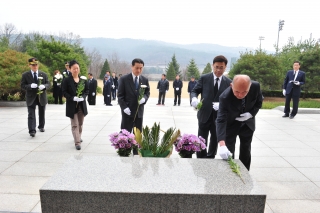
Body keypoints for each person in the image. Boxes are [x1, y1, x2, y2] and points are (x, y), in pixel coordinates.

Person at [216, 75, 263, 170]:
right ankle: (230, 173)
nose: (240, 95)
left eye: (245, 92)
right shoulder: (225, 97)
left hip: (247, 125)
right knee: (228, 151)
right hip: (231, 124)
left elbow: (259, 102)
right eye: (237, 91)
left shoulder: (256, 87)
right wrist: (222, 144)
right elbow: (221, 119)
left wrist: (250, 114)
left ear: (250, 86)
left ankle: (245, 173)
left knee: (246, 151)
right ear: (231, 85)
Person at [191, 55, 232, 158]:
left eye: (221, 67)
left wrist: (222, 105)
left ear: (225, 67)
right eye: (216, 67)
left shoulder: (228, 82)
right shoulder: (204, 78)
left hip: (218, 118)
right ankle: (200, 158)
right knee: (201, 139)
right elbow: (195, 91)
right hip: (204, 115)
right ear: (213, 65)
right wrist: (194, 98)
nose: (218, 70)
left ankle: (210, 158)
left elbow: (231, 100)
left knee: (214, 139)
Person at [118, 58, 150, 134]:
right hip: (127, 112)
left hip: (139, 113)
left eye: (141, 68)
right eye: (137, 68)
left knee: (138, 136)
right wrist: (124, 107)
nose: (138, 70)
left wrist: (144, 99)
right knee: (125, 136)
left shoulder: (144, 80)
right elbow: (120, 96)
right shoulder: (124, 79)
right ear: (132, 67)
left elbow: (147, 93)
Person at [62, 60, 89, 150]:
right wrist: (72, 98)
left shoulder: (83, 80)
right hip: (72, 105)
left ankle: (78, 136)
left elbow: (87, 91)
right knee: (75, 124)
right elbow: (64, 92)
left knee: (80, 123)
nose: (76, 70)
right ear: (70, 69)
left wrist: (83, 97)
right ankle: (77, 142)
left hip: (81, 105)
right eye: (74, 68)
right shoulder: (66, 80)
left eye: (77, 68)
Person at [21, 58, 50, 137]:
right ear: (29, 65)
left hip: (41, 96)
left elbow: (48, 84)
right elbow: (22, 85)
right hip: (31, 97)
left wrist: (44, 86)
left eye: (36, 64)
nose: (35, 66)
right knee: (31, 114)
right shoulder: (25, 75)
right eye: (33, 65)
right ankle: (32, 130)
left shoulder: (43, 74)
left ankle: (41, 126)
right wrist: (30, 86)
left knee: (42, 112)